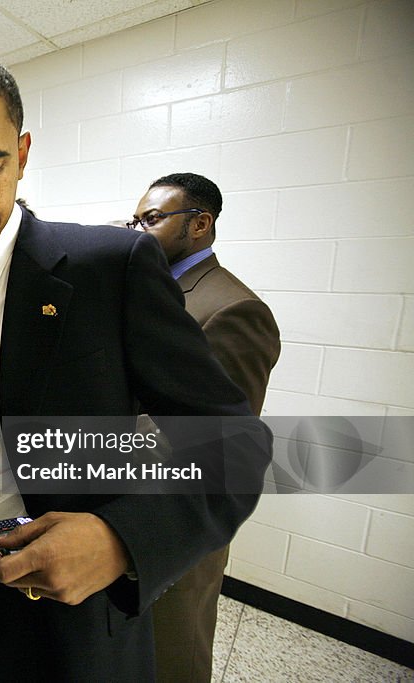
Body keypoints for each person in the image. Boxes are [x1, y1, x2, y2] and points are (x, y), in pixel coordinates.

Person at [0, 48, 271, 680]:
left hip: (59, 619)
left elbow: (235, 444)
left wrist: (120, 540)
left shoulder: (109, 268)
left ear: (23, 153)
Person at [131, 172, 281, 683]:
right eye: (135, 221)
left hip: (180, 519)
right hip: (127, 504)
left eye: (151, 220)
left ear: (200, 223)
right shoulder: (152, 290)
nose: (138, 232)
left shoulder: (232, 308)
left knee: (172, 652)